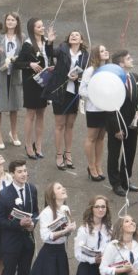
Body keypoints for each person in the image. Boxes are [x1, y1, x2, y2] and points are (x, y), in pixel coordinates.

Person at [0, 159, 39, 275]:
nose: (23, 174)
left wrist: (33, 224)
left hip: (27, 241)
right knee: (8, 274)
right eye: (19, 171)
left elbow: (36, 212)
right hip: (11, 242)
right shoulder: (4, 194)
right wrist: (18, 224)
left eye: (25, 171)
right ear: (12, 174)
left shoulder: (32, 189)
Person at [15, 17, 55, 160]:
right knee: (31, 114)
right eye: (39, 27)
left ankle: (38, 145)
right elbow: (18, 63)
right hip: (31, 83)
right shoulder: (27, 44)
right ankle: (28, 144)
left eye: (42, 26)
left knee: (41, 114)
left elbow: (50, 56)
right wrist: (29, 65)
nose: (42, 28)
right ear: (33, 29)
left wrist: (50, 42)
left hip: (44, 81)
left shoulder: (45, 41)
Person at [48, 31, 87, 171]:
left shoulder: (85, 55)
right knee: (59, 125)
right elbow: (51, 53)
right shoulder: (62, 49)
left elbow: (86, 71)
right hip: (60, 92)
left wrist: (79, 76)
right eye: (71, 34)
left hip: (74, 93)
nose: (74, 36)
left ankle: (68, 153)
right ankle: (59, 155)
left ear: (81, 40)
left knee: (70, 125)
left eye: (77, 35)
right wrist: (50, 41)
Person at [107, 50, 138, 197]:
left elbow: (137, 98)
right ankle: (115, 183)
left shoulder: (134, 76)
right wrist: (115, 128)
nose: (131, 60)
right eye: (128, 58)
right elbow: (108, 106)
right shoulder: (113, 80)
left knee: (130, 152)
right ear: (121, 63)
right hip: (117, 124)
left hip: (132, 123)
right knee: (114, 154)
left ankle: (126, 179)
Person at [80, 44, 110, 181]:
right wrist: (95, 96)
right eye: (102, 51)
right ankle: (91, 166)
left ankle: (98, 165)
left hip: (106, 108)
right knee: (92, 137)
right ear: (96, 55)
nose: (105, 52)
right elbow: (82, 90)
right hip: (94, 108)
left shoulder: (109, 70)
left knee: (101, 138)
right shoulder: (90, 70)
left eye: (105, 50)